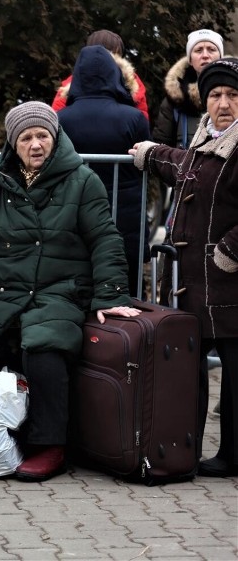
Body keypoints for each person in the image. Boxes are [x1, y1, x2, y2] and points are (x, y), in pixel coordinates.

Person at [0, 102, 141, 482]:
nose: (35, 144)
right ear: (14, 144)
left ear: (55, 137)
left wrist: (110, 297)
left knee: (44, 348)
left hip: (58, 292)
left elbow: (105, 241)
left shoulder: (83, 181)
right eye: (26, 137)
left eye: (42, 135)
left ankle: (51, 446)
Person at [129, 57, 238, 477]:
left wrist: (229, 251)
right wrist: (150, 153)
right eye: (215, 95)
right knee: (188, 371)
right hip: (194, 282)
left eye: (232, 95)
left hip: (229, 281)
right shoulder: (205, 139)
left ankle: (233, 455)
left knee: (235, 373)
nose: (223, 103)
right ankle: (180, 451)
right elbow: (184, 167)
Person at [58, 45, 152, 297]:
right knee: (129, 294)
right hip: (125, 220)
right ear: (115, 75)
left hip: (74, 218)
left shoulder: (60, 119)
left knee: (77, 292)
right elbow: (147, 164)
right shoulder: (134, 118)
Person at [52, 29, 149, 120]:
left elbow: (141, 123)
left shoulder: (133, 86)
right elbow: (55, 121)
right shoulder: (70, 86)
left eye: (117, 55)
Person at [152, 29, 224, 148]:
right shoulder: (175, 99)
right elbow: (160, 148)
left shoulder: (235, 95)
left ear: (221, 56)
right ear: (190, 59)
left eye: (211, 49)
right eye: (198, 50)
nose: (205, 55)